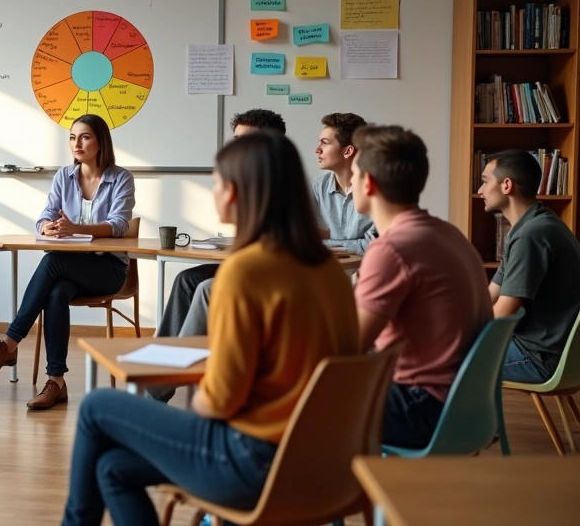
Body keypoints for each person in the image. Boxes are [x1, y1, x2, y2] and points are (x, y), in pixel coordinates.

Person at [61, 131, 359, 525]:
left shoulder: (246, 272)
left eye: (216, 180)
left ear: (234, 191)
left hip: (253, 463)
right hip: (324, 464)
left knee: (97, 405)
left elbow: (218, 402)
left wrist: (191, 400)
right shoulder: (330, 272)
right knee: (112, 468)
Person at [0, 114, 135, 410]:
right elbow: (45, 215)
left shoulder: (121, 178)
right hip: (71, 266)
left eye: (85, 137)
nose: (76, 143)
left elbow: (120, 225)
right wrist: (46, 227)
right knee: (56, 292)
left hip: (109, 269)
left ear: (101, 142)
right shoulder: (64, 176)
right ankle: (56, 381)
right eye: (72, 137)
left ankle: (9, 343)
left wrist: (76, 229)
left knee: (52, 262)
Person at [350, 125, 491, 448]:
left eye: (354, 174)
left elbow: (348, 347)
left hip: (421, 406)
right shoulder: (449, 234)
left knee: (283, 399)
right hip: (466, 406)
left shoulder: (392, 249)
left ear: (368, 183)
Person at [154, 109, 287, 340]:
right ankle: (165, 349)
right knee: (187, 279)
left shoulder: (279, 187)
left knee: (206, 287)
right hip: (256, 265)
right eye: (235, 139)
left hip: (272, 272)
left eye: (244, 140)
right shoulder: (253, 183)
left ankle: (172, 355)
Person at [479, 150, 580, 383]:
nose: (480, 190)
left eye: (485, 181)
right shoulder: (532, 226)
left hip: (537, 359)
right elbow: (489, 296)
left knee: (439, 359)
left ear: (506, 185)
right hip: (545, 351)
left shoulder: (531, 236)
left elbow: (503, 312)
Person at [313, 112, 376, 254]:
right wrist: (356, 244)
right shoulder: (317, 188)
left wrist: (328, 242)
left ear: (348, 151)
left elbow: (373, 245)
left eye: (325, 143)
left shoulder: (377, 188)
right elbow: (305, 239)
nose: (317, 150)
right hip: (330, 267)